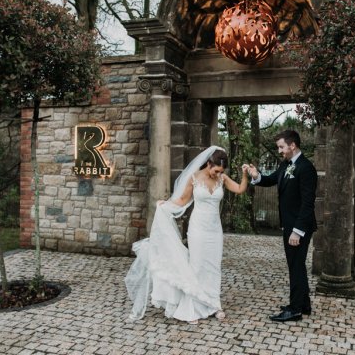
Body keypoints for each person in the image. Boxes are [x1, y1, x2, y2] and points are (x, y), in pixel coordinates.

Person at [125, 146, 249, 325]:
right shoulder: (194, 178)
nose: (217, 174)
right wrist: (165, 204)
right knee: (197, 266)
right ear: (208, 164)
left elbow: (239, 189)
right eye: (216, 170)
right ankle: (193, 307)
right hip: (198, 228)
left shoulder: (222, 179)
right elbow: (182, 200)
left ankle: (214, 304)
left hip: (215, 230)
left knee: (214, 267)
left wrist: (245, 174)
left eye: (221, 171)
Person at [248, 130, 317, 322]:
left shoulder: (306, 168)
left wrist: (297, 231)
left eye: (281, 147)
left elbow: (308, 203)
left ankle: (295, 310)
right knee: (297, 266)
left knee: (295, 266)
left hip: (299, 227)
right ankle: (303, 304)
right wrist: (256, 175)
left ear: (292, 145)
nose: (280, 151)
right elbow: (271, 180)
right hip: (289, 225)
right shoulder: (286, 164)